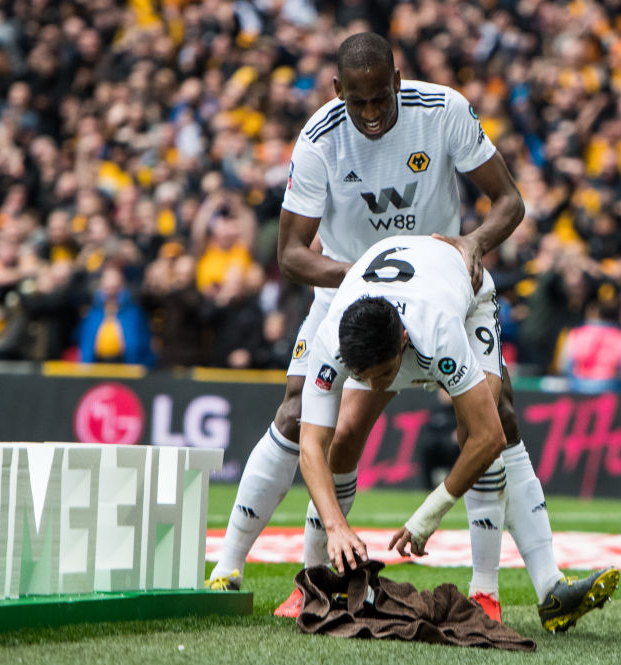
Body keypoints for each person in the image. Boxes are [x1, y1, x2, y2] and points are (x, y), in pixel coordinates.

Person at [205, 33, 583, 625]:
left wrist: (474, 242)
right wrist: (360, 275)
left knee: (495, 414)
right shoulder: (319, 140)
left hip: (440, 295)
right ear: (337, 91)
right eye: (358, 102)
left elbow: (509, 201)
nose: (373, 113)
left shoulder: (444, 111)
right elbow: (290, 254)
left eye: (382, 98)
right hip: (349, 294)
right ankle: (251, 570)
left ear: (398, 81)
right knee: (303, 416)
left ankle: (520, 588)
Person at [299, 234, 618, 633]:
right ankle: (311, 582)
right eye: (364, 378)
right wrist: (335, 527)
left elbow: (489, 438)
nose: (378, 387)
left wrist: (427, 516)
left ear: (403, 342)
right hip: (397, 291)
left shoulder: (439, 331)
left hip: (465, 298)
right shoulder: (331, 340)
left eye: (385, 375)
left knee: (484, 426)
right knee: (344, 436)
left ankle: (488, 592)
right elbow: (311, 445)